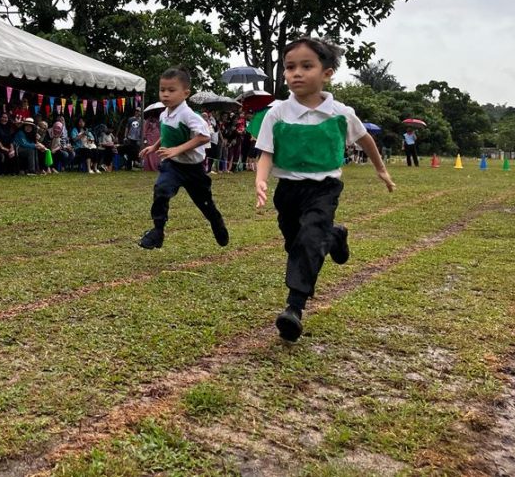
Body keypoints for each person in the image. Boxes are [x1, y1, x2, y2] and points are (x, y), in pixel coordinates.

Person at [254, 37, 395, 343]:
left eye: (306, 66)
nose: (296, 73)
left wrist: (380, 168)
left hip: (323, 188)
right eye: (290, 67)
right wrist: (261, 180)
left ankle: (294, 308)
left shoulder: (340, 113)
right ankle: (335, 236)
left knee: (308, 241)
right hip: (288, 191)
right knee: (296, 243)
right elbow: (266, 151)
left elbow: (365, 139)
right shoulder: (276, 113)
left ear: (327, 73)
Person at [138, 67, 229, 250]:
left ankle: (216, 222)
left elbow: (204, 136)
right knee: (161, 190)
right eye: (162, 90)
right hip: (173, 166)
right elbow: (167, 134)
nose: (165, 94)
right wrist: (154, 147)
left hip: (193, 169)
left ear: (185, 93)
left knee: (205, 204)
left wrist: (177, 149)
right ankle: (157, 231)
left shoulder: (189, 115)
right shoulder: (164, 114)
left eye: (171, 90)